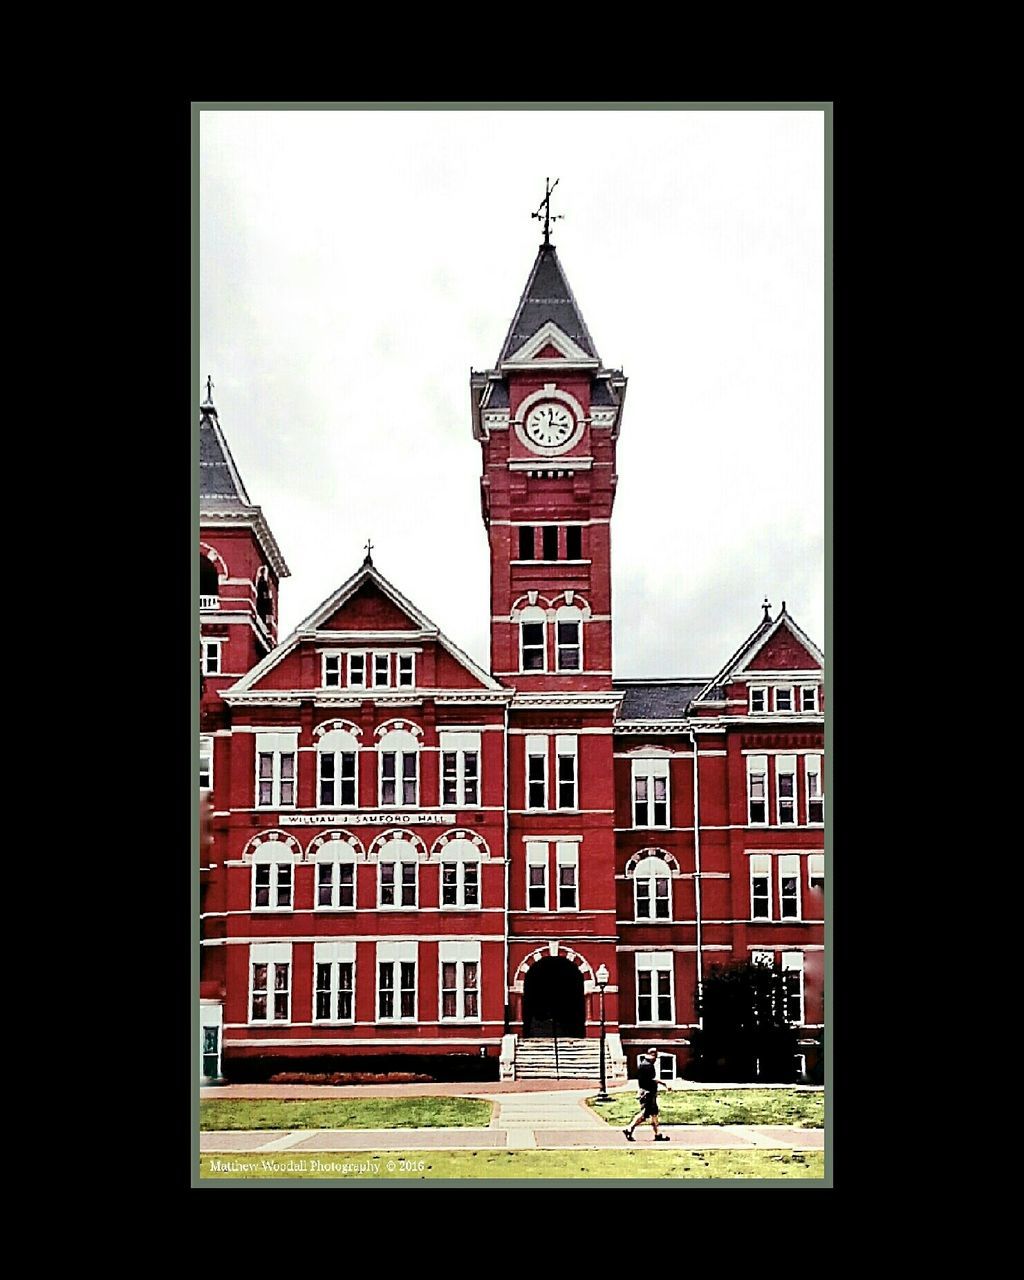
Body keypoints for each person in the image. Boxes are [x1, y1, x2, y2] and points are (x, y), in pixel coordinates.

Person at [623, 1047, 670, 1141]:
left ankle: (658, 1134)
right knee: (645, 1114)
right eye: (656, 1055)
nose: (656, 1058)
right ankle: (629, 1128)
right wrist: (664, 1084)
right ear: (652, 1055)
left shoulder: (645, 1064)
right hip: (647, 1093)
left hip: (648, 1092)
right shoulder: (647, 1065)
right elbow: (651, 1080)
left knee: (654, 1113)